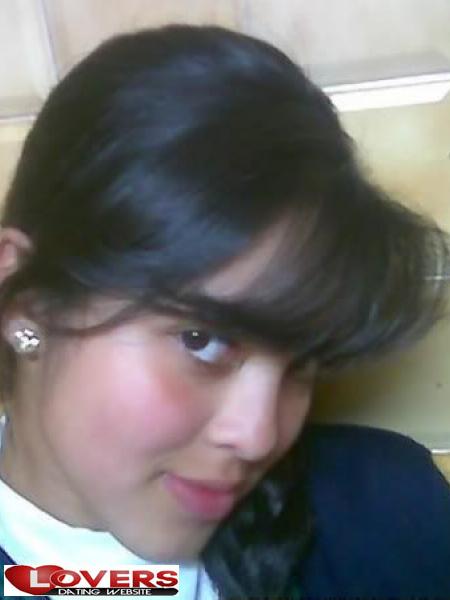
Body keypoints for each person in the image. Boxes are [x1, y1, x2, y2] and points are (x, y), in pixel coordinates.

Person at [0, 24, 449, 600]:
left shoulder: (387, 511)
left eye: (302, 363)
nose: (259, 437)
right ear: (28, 304)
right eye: (201, 339)